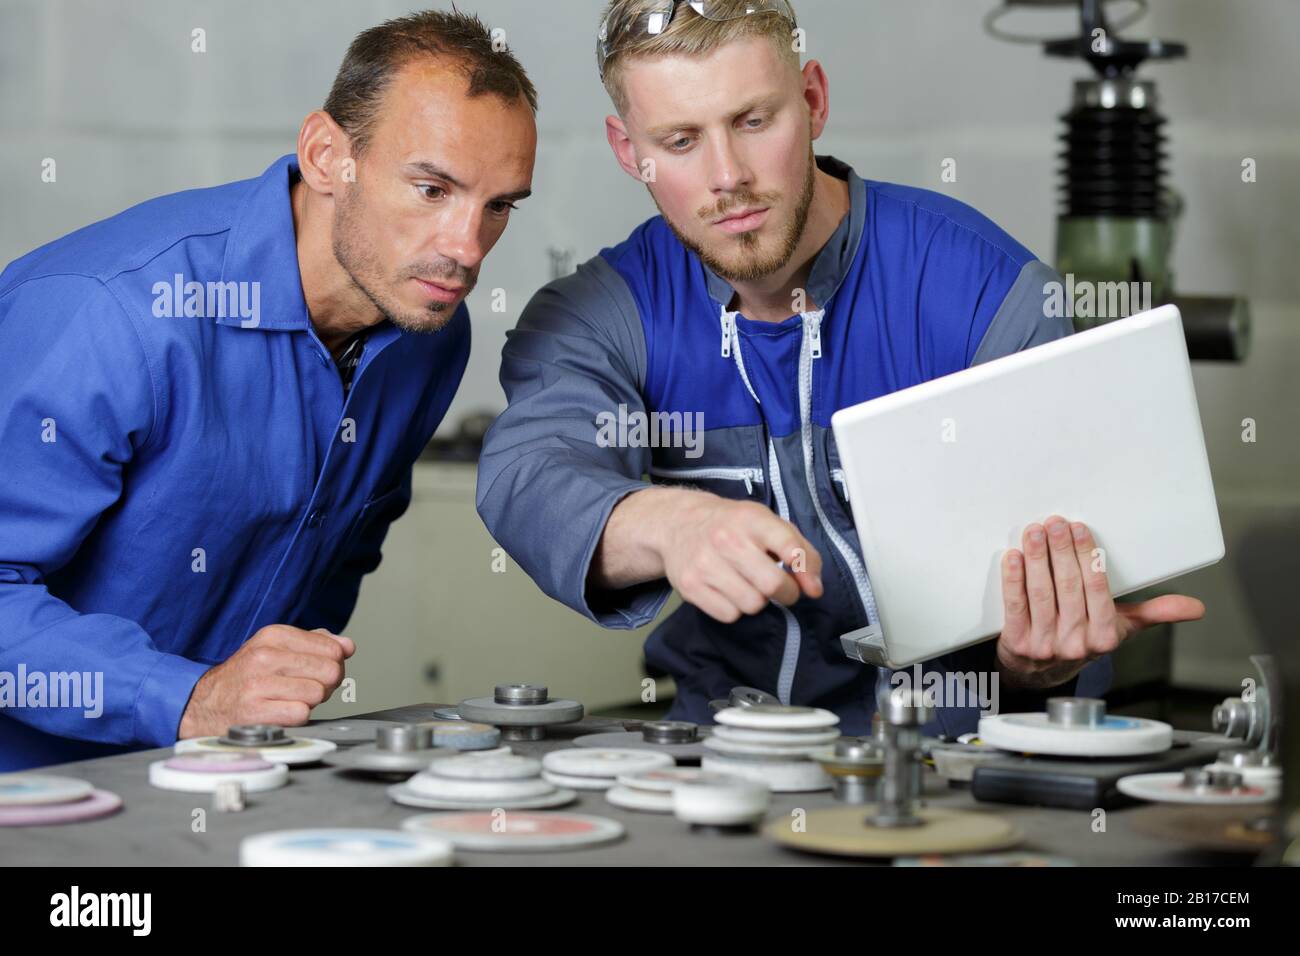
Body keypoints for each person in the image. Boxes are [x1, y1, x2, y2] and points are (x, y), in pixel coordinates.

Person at [476, 0, 1204, 735]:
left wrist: (1036, 664)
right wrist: (670, 522)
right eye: (681, 139)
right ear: (631, 151)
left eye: (754, 121)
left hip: (955, 766)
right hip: (721, 760)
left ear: (814, 100)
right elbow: (528, 473)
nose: (727, 176)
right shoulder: (605, 313)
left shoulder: (986, 295)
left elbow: (1063, 595)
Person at [0, 10, 538, 770]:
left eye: (499, 205)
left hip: (209, 784)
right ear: (325, 155)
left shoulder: (428, 338)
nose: (465, 248)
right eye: (430, 188)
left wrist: (237, 711)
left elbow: (337, 558)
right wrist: (187, 699)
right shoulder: (111, 314)